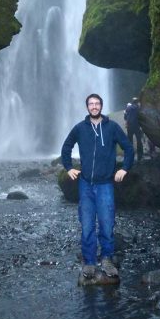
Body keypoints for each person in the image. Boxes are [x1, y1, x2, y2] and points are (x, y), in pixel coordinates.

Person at [61, 93, 134, 279]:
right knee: (86, 225)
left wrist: (124, 169)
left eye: (97, 103)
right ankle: (90, 262)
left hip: (105, 185)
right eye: (91, 104)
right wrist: (68, 167)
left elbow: (128, 148)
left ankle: (107, 259)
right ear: (87, 107)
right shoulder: (80, 128)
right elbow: (66, 147)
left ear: (101, 106)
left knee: (107, 223)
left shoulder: (112, 127)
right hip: (85, 184)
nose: (94, 106)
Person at [123, 97, 143, 161]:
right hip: (137, 126)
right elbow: (141, 117)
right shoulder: (138, 108)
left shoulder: (128, 108)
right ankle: (140, 156)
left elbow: (125, 117)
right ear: (137, 102)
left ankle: (130, 156)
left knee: (130, 141)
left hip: (130, 126)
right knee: (139, 141)